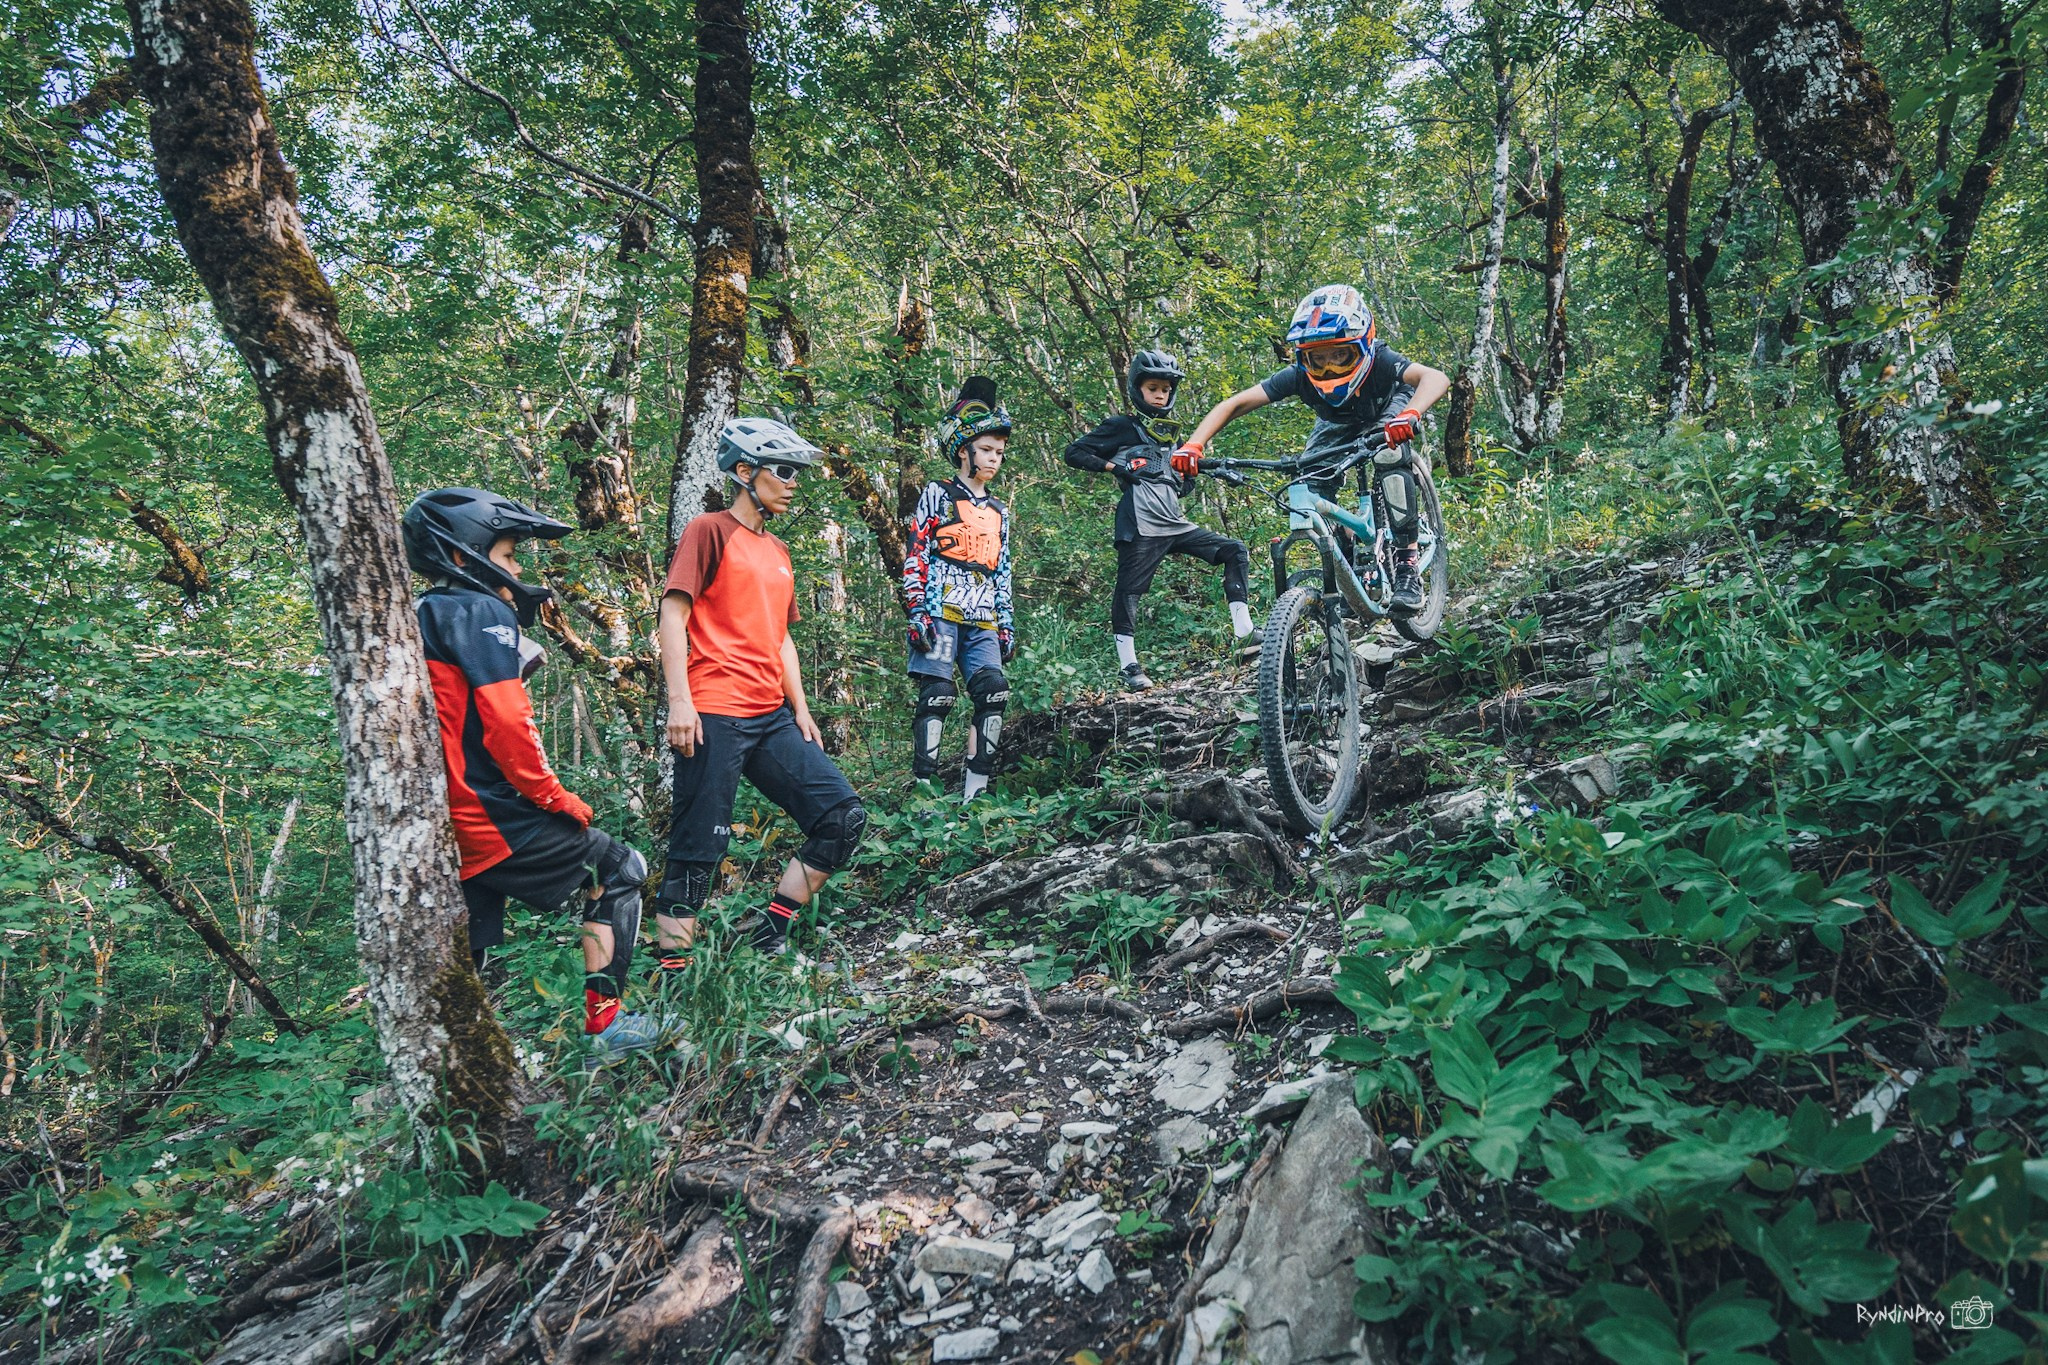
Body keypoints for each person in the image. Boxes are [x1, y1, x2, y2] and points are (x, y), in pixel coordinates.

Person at [403, 488, 658, 1062]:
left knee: (468, 950)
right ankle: (608, 1027)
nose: (518, 568)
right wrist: (552, 795)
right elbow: (507, 718)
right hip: (486, 808)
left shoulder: (423, 613)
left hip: (439, 817)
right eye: (511, 553)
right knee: (618, 868)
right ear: (464, 556)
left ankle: (468, 1074)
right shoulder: (476, 610)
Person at [652, 417, 868, 963]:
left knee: (843, 818)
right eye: (784, 470)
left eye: (797, 472)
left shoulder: (779, 552)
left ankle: (770, 930)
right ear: (745, 472)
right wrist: (680, 701)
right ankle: (675, 981)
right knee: (699, 851)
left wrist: (801, 709)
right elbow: (672, 614)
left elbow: (782, 639)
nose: (794, 482)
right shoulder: (709, 530)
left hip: (771, 715)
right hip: (713, 712)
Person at [1172, 285, 1450, 613]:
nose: (1329, 368)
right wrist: (1194, 444)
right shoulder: (1298, 376)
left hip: (1389, 407)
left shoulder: (1381, 361)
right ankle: (1347, 558)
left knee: (1389, 452)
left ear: (1362, 346)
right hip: (1336, 422)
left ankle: (1406, 565)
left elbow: (1435, 378)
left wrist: (1410, 415)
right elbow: (1235, 404)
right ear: (1304, 358)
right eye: (1318, 359)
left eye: (1339, 355)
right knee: (1308, 484)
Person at [1064, 349, 1254, 691]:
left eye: (1166, 389)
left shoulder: (1176, 439)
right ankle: (1129, 666)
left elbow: (1187, 483)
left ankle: (1245, 633)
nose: (1160, 394)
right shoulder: (1121, 427)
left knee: (1234, 550)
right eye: (1153, 387)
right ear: (1138, 389)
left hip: (1176, 523)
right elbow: (1074, 452)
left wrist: (1183, 477)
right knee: (1129, 591)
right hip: (1140, 523)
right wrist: (1116, 467)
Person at [904, 377, 1014, 801]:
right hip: (939, 611)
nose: (994, 459)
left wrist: (1006, 623)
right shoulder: (937, 493)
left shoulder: (1001, 511)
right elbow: (917, 551)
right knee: (938, 696)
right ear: (963, 450)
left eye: (999, 452)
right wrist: (916, 608)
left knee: (994, 692)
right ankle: (924, 793)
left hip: (983, 616)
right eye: (986, 449)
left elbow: (1001, 570)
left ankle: (976, 792)